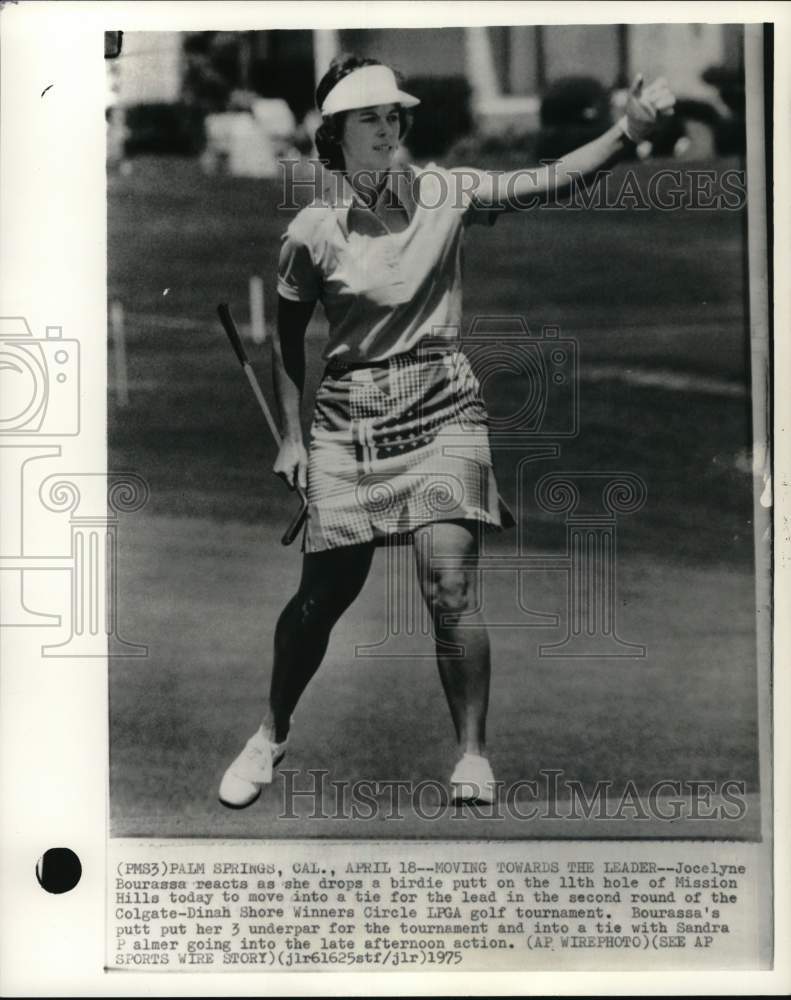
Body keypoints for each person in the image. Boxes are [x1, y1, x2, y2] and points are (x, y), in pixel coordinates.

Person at [219, 55, 675, 809]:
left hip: (442, 406)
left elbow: (548, 180)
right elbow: (290, 338)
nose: (388, 127)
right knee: (321, 598)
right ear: (334, 135)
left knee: (450, 586)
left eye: (393, 115)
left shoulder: (445, 190)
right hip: (348, 420)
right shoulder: (310, 234)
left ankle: (471, 754)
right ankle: (270, 733)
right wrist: (293, 440)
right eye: (369, 117)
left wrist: (628, 131)